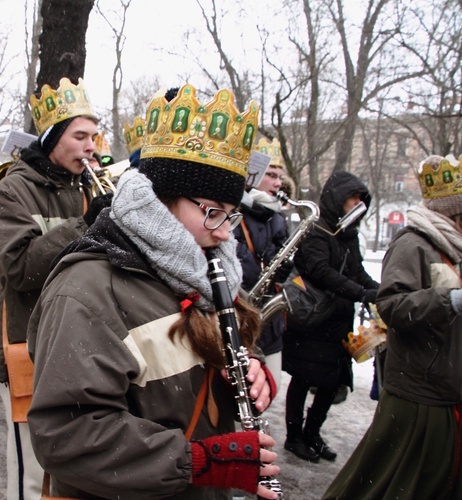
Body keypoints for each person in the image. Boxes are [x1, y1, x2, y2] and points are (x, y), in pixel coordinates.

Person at [27, 84, 280, 499]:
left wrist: (251, 367)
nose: (222, 233)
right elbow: (66, 435)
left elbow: (204, 357)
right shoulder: (88, 290)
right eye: (212, 212)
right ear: (160, 200)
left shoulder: (204, 269)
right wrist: (197, 461)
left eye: (232, 217)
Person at [0, 77, 110, 500]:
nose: (91, 146)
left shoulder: (86, 188)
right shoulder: (13, 190)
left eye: (94, 136)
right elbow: (19, 269)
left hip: (79, 342)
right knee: (30, 468)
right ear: (54, 138)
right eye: (81, 136)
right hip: (27, 341)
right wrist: (87, 224)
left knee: (67, 464)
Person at [324, 154, 462, 499]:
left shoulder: (451, 246)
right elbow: (391, 305)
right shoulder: (413, 243)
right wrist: (452, 300)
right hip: (420, 391)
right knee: (386, 484)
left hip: (445, 391)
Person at [282, 171, 379, 463]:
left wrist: (379, 289)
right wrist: (359, 293)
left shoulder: (347, 234)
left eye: (361, 200)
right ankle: (293, 436)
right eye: (353, 198)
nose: (357, 204)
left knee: (331, 381)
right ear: (338, 198)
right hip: (311, 319)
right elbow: (320, 272)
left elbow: (356, 271)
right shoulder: (316, 230)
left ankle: (312, 432)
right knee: (303, 379)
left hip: (337, 321)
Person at [234, 137, 290, 388]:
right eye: (272, 175)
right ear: (253, 174)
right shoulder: (234, 208)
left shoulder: (277, 217)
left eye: (280, 176)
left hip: (270, 320)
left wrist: (286, 271)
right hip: (243, 312)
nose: (279, 183)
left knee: (273, 384)